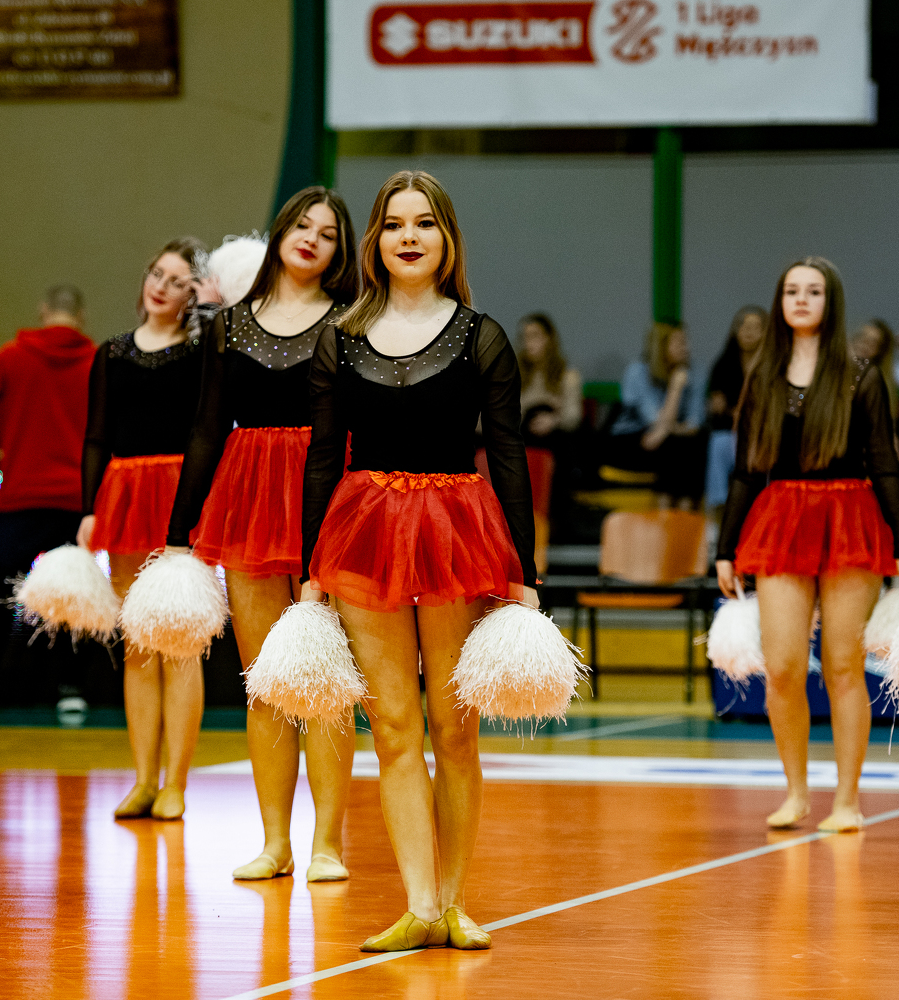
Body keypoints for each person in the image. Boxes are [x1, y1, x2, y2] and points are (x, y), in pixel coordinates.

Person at [299, 170, 538, 952]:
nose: (410, 236)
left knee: (454, 728)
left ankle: (456, 903)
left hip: (455, 531)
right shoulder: (338, 338)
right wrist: (310, 568)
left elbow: (508, 455)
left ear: (447, 240)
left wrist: (525, 575)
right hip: (362, 532)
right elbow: (323, 457)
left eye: (425, 223)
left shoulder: (481, 336)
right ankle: (421, 905)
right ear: (376, 241)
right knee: (394, 726)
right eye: (396, 224)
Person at [164, 187, 360, 883]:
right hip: (246, 499)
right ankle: (276, 843)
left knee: (326, 678)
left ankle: (327, 844)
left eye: (327, 233)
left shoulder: (350, 321)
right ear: (279, 233)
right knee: (266, 682)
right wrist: (179, 531)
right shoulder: (228, 325)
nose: (311, 238)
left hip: (326, 495)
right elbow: (206, 428)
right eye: (302, 225)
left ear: (339, 253)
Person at [716, 256, 899, 833]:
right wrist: (725, 549)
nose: (801, 299)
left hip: (849, 516)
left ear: (831, 303)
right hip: (781, 517)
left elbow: (884, 464)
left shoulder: (860, 376)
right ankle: (796, 794)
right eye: (791, 291)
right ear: (780, 302)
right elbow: (745, 471)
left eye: (813, 291)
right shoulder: (761, 376)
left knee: (843, 666)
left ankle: (848, 801)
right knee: (783, 668)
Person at [79, 237, 209, 822]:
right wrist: (88, 509)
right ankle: (143, 780)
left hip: (181, 495)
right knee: (138, 646)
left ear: (193, 295)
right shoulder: (111, 352)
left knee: (179, 646)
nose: (161, 286)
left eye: (177, 281)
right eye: (157, 273)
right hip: (127, 496)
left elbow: (209, 428)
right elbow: (96, 435)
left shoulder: (200, 354)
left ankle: (176, 783)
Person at [0, 285, 97, 714]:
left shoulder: (13, 356)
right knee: (74, 597)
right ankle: (71, 690)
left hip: (20, 499)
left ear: (43, 310)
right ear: (81, 316)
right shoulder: (97, 363)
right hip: (76, 502)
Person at [606, 321, 707, 506]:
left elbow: (695, 422)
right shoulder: (637, 372)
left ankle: (684, 510)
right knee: (675, 446)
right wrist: (675, 388)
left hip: (667, 440)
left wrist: (666, 431)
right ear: (661, 346)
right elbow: (654, 420)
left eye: (686, 341)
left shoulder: (695, 371)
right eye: (680, 343)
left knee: (689, 444)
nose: (686, 348)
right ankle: (666, 510)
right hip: (631, 439)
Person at [705, 305, 767, 511]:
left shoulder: (773, 365)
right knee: (719, 444)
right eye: (743, 326)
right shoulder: (723, 364)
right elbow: (717, 406)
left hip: (764, 433)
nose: (748, 332)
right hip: (731, 431)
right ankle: (718, 508)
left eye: (755, 327)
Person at [516, 312, 582, 443]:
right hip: (524, 434)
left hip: (557, 436)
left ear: (548, 338)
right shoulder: (516, 376)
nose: (528, 343)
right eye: (524, 337)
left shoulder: (567, 376)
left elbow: (573, 416)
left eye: (534, 336)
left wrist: (554, 421)